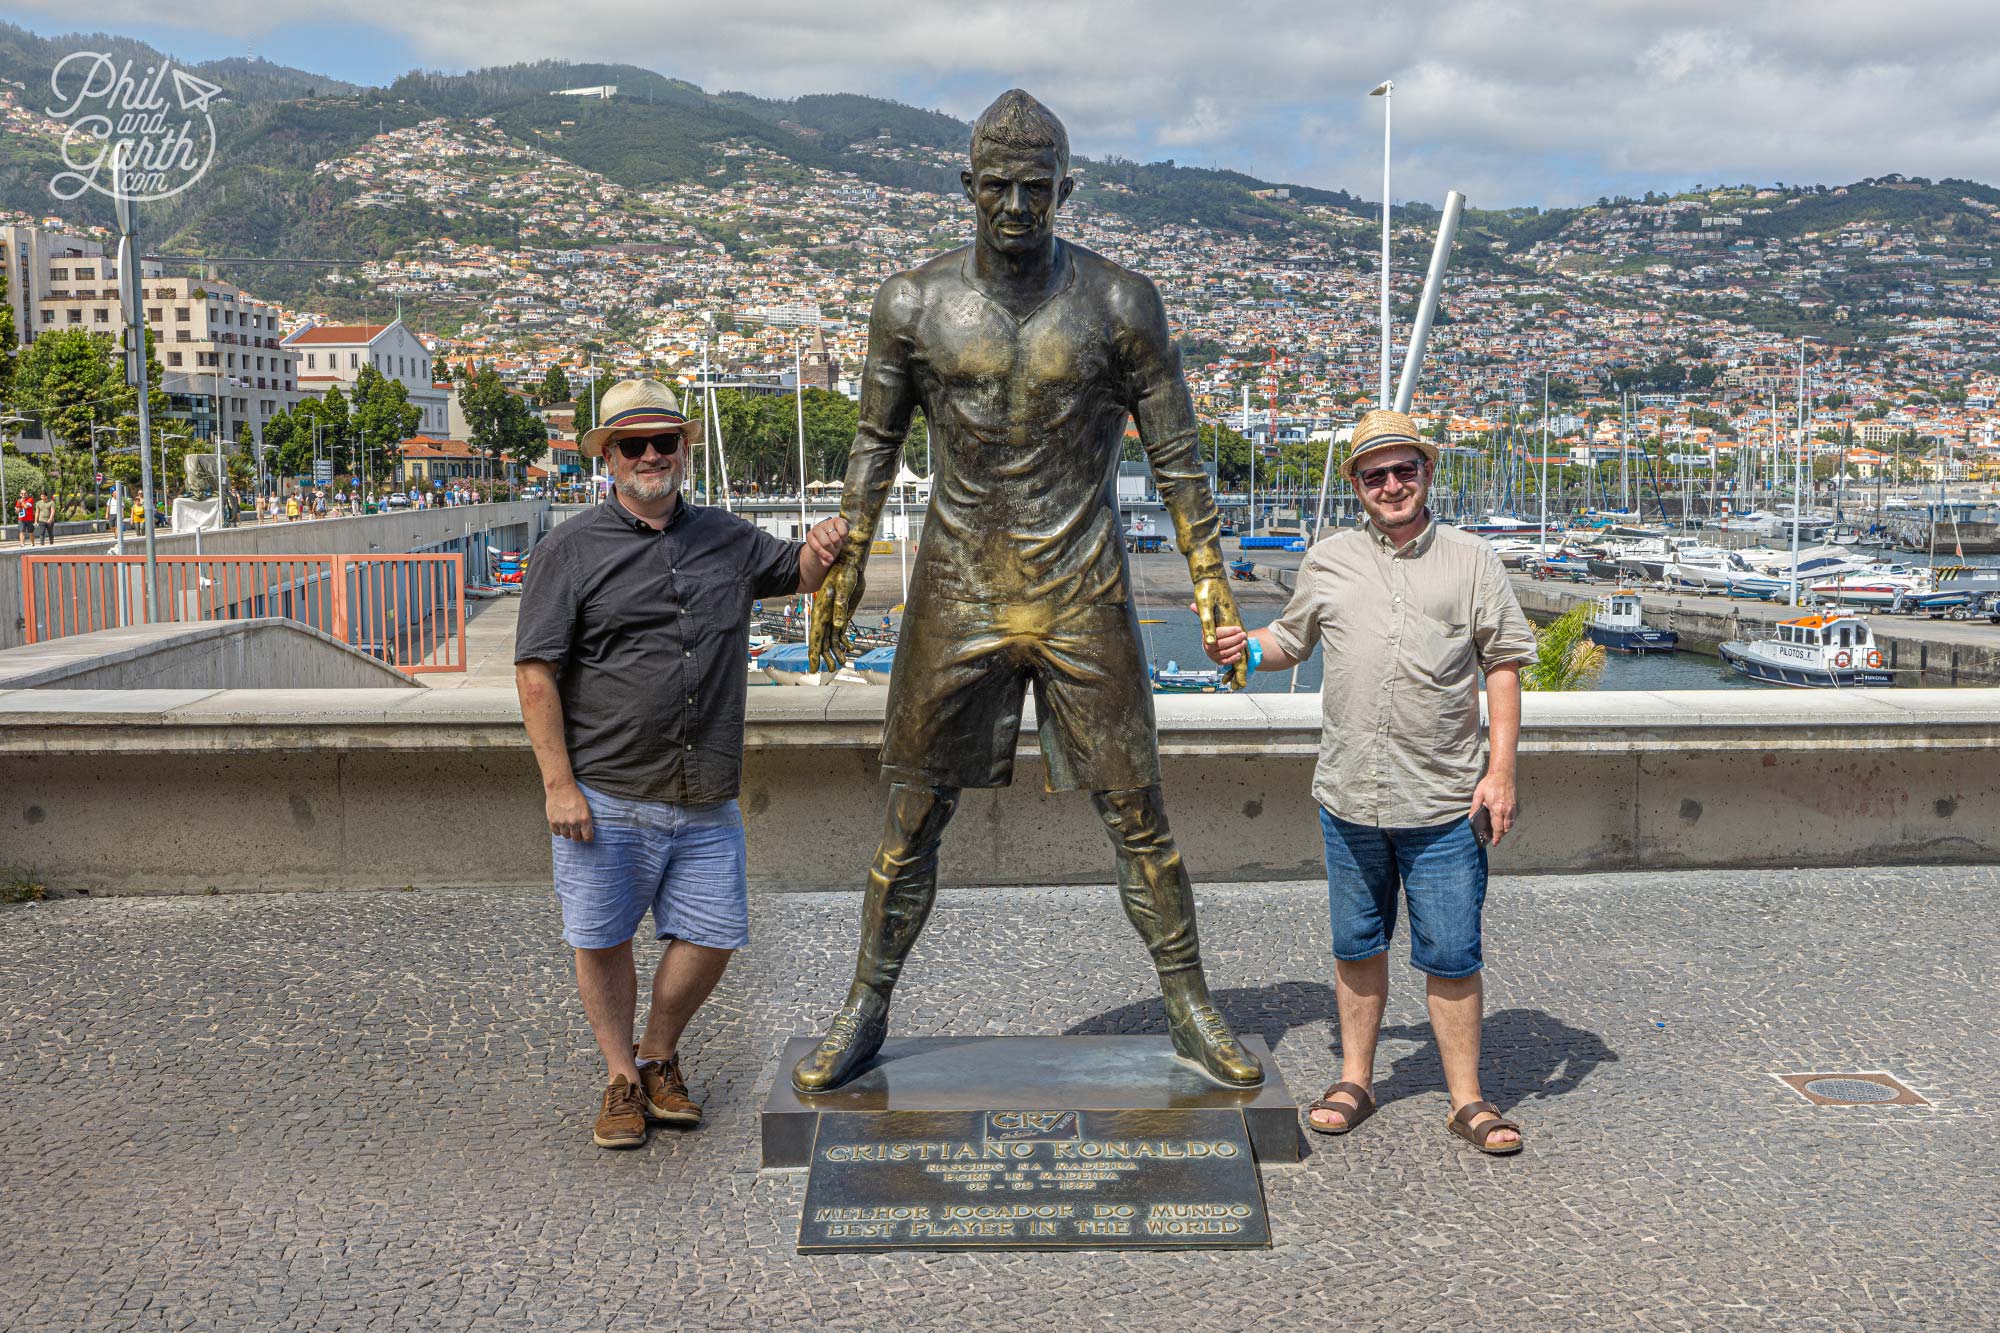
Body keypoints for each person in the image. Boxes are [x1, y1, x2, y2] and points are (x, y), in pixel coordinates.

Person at [793, 90, 1261, 1095]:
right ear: (966, 185)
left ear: (1067, 190)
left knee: (1138, 810)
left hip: (1080, 584)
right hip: (954, 585)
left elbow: (1176, 457)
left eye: (1035, 187)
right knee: (911, 818)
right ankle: (864, 1004)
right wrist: (846, 559)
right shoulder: (911, 303)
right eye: (997, 185)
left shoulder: (1119, 302)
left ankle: (1187, 1001)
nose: (1014, 204)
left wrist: (1212, 581)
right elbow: (874, 442)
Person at [515, 378, 848, 1151]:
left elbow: (797, 570)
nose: (652, 455)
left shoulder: (727, 538)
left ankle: (658, 1052)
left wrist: (826, 546)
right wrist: (559, 785)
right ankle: (620, 1077)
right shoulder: (569, 550)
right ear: (610, 457)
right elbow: (536, 673)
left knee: (715, 933)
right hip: (608, 788)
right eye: (635, 444)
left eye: (666, 441)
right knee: (600, 940)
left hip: (706, 792)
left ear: (685, 450)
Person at [1203, 409, 1537, 1156]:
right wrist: (1242, 648)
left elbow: (1503, 665)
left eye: (1404, 470)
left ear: (1426, 473)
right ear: (1356, 484)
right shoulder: (1328, 559)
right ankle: (1355, 1079)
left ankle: (1467, 1099)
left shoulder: (1473, 560)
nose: (1391, 484)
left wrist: (1502, 770)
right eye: (1375, 473)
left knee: (1453, 953)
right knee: (1357, 945)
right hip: (1350, 794)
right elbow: (1290, 640)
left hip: (1447, 799)